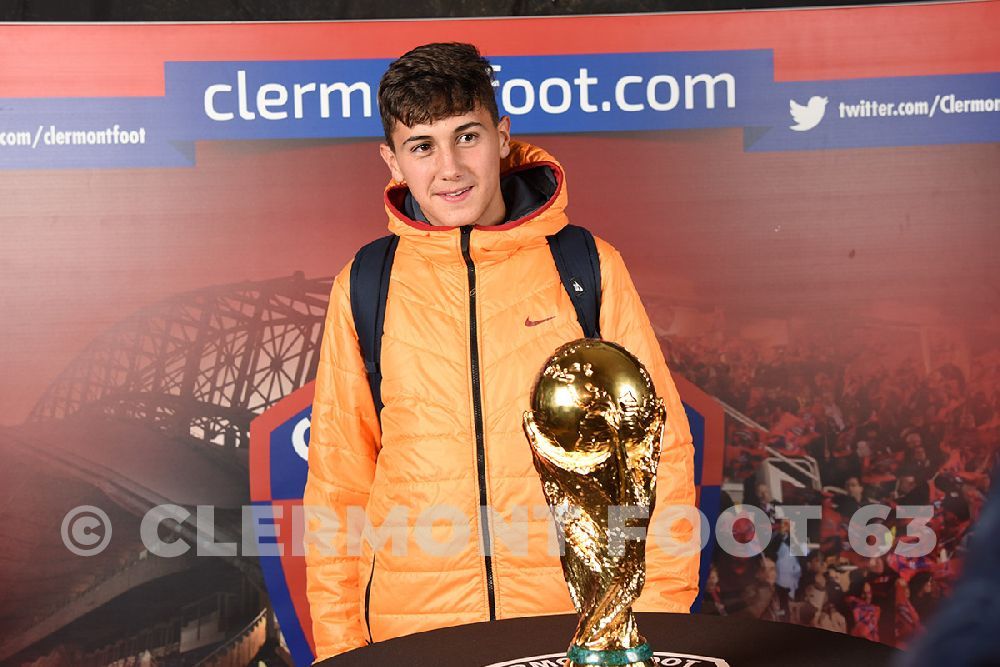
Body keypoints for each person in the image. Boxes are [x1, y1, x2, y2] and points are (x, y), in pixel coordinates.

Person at [302, 42, 699, 660]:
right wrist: (340, 650)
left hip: (566, 627)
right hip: (414, 631)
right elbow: (338, 482)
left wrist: (652, 621)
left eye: (467, 136)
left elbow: (660, 450)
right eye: (422, 146)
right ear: (392, 160)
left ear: (502, 135)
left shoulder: (584, 265)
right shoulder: (366, 283)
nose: (449, 168)